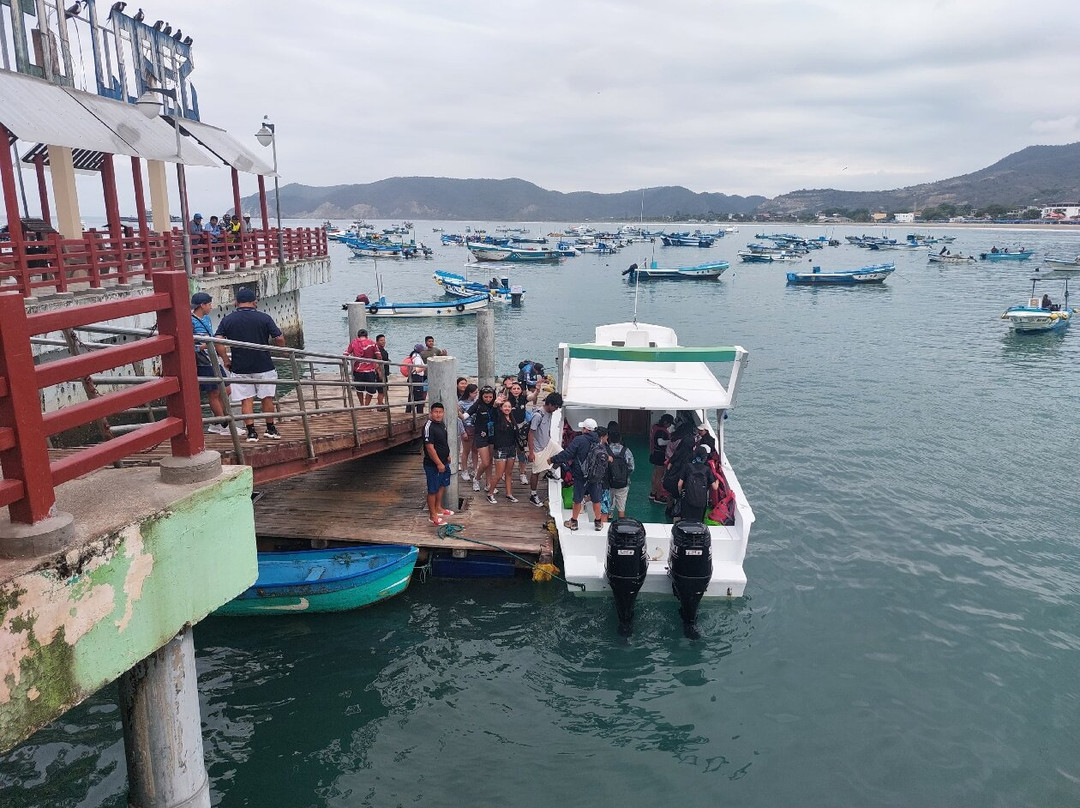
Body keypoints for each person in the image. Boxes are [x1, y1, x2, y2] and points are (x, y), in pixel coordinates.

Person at [214, 287, 285, 442]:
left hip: (240, 366)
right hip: (264, 365)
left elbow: (218, 341)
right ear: (254, 302)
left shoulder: (228, 320)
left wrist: (226, 360)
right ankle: (270, 429)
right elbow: (278, 337)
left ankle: (251, 432)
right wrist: (283, 351)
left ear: (236, 303)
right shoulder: (264, 318)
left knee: (246, 400)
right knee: (267, 398)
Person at [550, 417, 602, 531]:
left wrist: (553, 459)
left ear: (586, 429)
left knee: (577, 499)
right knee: (596, 499)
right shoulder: (598, 441)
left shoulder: (579, 440)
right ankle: (598, 522)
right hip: (595, 476)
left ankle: (573, 522)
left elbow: (567, 454)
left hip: (581, 476)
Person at [190, 292, 228, 435]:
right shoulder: (190, 321)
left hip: (212, 357)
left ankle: (217, 422)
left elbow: (210, 336)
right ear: (202, 305)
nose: (211, 307)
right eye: (209, 304)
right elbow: (187, 342)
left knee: (226, 389)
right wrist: (201, 347)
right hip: (203, 360)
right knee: (215, 392)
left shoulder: (206, 319)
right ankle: (223, 424)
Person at [527, 392, 563, 507]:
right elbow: (531, 434)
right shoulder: (538, 415)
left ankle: (551, 472)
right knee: (535, 472)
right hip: (538, 448)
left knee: (563, 454)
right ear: (550, 404)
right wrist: (531, 452)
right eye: (556, 407)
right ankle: (533, 494)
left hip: (548, 443)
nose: (556, 409)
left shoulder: (550, 412)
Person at [423, 402, 454, 527]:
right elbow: (430, 448)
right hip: (433, 465)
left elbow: (443, 442)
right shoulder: (428, 427)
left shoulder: (441, 424)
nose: (438, 414)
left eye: (440, 412)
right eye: (435, 412)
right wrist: (439, 463)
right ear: (431, 413)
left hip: (444, 461)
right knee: (433, 490)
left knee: (442, 485)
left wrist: (447, 456)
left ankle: (438, 508)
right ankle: (432, 516)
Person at [676, 445, 719, 523]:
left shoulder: (687, 466)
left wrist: (680, 493)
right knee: (698, 522)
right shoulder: (707, 469)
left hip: (688, 500)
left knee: (686, 520)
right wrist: (718, 481)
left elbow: (679, 484)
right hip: (701, 502)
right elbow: (715, 487)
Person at [487, 398, 519, 503]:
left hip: (511, 448)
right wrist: (496, 404)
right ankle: (490, 493)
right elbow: (492, 411)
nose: (507, 408)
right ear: (501, 408)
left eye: (509, 407)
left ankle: (509, 494)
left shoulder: (513, 420)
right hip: (500, 449)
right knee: (499, 474)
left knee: (509, 473)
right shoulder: (498, 418)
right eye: (505, 406)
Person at [468, 386, 498, 494]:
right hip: (481, 434)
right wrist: (459, 413)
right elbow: (467, 414)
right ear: (482, 396)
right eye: (486, 397)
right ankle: (476, 478)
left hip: (492, 435)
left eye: (490, 397)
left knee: (490, 461)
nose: (488, 399)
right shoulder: (478, 404)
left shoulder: (496, 404)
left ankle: (488, 484)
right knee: (485, 462)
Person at [344, 328, 379, 406]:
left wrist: (345, 361)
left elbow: (346, 353)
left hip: (358, 369)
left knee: (359, 389)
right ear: (366, 335)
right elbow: (378, 355)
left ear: (358, 336)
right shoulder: (372, 343)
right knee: (370, 389)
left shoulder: (354, 343)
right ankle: (366, 406)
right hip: (370, 369)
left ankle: (361, 404)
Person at [606, 428, 635, 520]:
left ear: (609, 439)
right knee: (621, 507)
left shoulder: (606, 450)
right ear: (620, 439)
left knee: (606, 505)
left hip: (608, 483)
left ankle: (606, 523)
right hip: (623, 483)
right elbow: (631, 467)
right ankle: (621, 524)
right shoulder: (626, 451)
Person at [649, 414, 675, 503]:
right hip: (660, 455)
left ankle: (653, 492)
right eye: (669, 424)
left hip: (654, 453)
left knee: (655, 473)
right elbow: (660, 442)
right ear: (665, 422)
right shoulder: (661, 431)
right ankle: (658, 496)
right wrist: (671, 441)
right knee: (659, 476)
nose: (670, 426)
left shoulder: (655, 427)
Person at [458, 381, 479, 481]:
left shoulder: (476, 402)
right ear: (469, 393)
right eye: (475, 392)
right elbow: (459, 419)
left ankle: (475, 469)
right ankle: (464, 470)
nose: (476, 394)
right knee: (466, 451)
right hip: (467, 428)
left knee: (475, 450)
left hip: (476, 428)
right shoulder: (461, 403)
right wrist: (463, 432)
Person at [405, 343, 427, 414]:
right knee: (419, 397)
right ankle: (419, 413)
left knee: (412, 396)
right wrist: (426, 366)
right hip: (416, 378)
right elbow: (417, 369)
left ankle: (408, 412)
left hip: (414, 378)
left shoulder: (414, 356)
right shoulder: (417, 357)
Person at [374, 333, 389, 407]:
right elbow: (376, 362)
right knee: (382, 390)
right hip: (380, 373)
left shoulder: (382, 350)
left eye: (384, 340)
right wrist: (379, 372)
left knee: (383, 390)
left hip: (384, 372)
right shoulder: (378, 351)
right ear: (377, 341)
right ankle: (380, 405)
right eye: (381, 340)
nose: (383, 342)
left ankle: (380, 402)